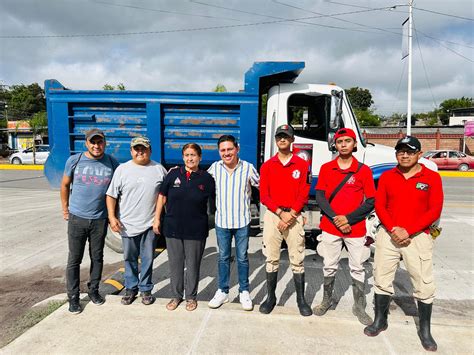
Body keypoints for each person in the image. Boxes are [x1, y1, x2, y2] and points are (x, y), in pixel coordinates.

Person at [364, 136, 443, 352]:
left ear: (419, 154)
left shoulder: (432, 178)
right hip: (389, 235)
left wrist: (409, 230)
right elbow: (380, 206)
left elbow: (434, 210)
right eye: (400, 151)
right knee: (381, 278)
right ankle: (381, 320)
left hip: (418, 237)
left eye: (410, 151)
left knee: (424, 283)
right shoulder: (388, 177)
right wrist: (393, 229)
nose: (405, 155)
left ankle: (425, 330)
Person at [313, 127, 375, 325]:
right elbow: (320, 196)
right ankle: (327, 299)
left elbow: (371, 201)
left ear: (354, 144)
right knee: (329, 265)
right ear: (335, 145)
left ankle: (359, 306)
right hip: (331, 227)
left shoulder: (363, 171)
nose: (343, 145)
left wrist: (348, 219)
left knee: (357, 268)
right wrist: (336, 218)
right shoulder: (326, 168)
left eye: (348, 141)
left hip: (355, 229)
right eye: (340, 142)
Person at [60, 128, 119, 314]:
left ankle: (94, 290)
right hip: (77, 218)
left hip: (99, 219)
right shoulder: (75, 160)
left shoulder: (111, 163)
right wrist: (65, 208)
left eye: (100, 142)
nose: (96, 146)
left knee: (97, 257)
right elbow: (64, 184)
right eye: (93, 142)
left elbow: (119, 188)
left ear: (105, 143)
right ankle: (74, 297)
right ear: (86, 143)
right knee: (74, 260)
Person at [153, 143, 215, 312]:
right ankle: (176, 296)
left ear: (200, 157)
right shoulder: (173, 174)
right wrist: (157, 219)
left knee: (193, 265)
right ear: (182, 157)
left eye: (193, 155)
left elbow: (217, 201)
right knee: (175, 264)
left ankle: (191, 297)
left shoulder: (206, 178)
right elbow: (162, 196)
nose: (190, 158)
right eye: (187, 155)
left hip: (196, 230)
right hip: (173, 228)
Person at [106, 136, 167, 306]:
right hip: (127, 225)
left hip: (150, 224)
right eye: (137, 149)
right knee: (130, 258)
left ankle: (146, 290)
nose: (140, 152)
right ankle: (131, 289)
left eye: (144, 149)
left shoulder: (158, 169)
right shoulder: (122, 170)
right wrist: (112, 217)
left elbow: (165, 195)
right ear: (132, 151)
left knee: (148, 258)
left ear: (150, 150)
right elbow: (111, 195)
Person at [259, 124, 312, 316]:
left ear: (292, 140)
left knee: (297, 259)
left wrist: (292, 214)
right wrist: (281, 213)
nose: (282, 140)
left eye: (286, 137)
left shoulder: (301, 164)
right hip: (274, 215)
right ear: (275, 140)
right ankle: (271, 297)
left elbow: (304, 193)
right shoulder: (267, 166)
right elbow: (264, 195)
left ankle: (301, 299)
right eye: (279, 137)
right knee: (271, 258)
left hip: (295, 216)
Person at [207, 135, 260, 311]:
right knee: (223, 257)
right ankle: (223, 291)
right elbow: (199, 182)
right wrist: (181, 171)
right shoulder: (214, 168)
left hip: (242, 221)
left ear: (237, 149)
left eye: (230, 149)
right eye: (223, 150)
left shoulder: (248, 168)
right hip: (222, 222)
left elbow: (263, 186)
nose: (226, 153)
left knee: (242, 257)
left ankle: (244, 291)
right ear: (219, 152)